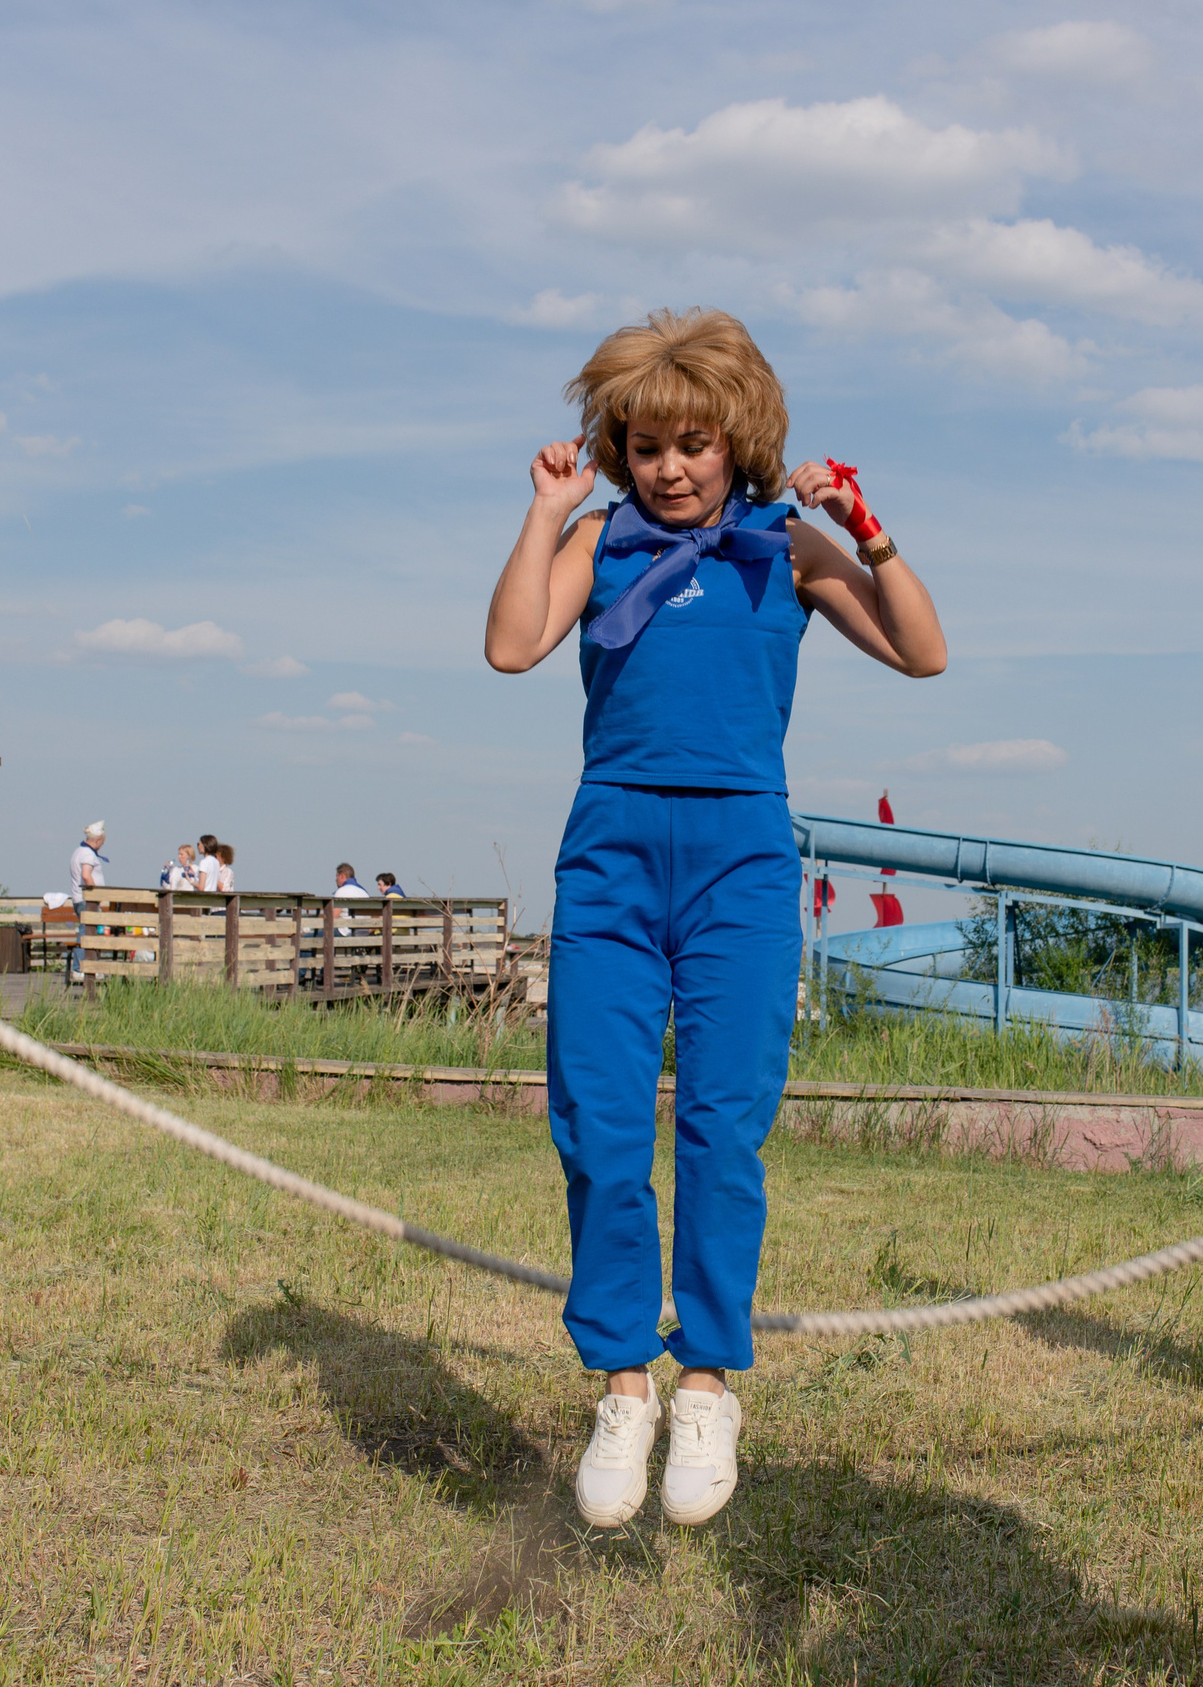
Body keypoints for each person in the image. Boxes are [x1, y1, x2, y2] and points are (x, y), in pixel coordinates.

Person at [484, 307, 946, 1530]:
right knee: (592, 1115)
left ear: (736, 438)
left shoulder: (782, 546)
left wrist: (867, 529)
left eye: (691, 443)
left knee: (721, 1123)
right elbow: (512, 645)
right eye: (644, 447)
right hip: (612, 852)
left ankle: (707, 1380)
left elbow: (923, 654)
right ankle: (622, 1380)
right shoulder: (601, 541)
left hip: (739, 856)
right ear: (616, 450)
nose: (670, 468)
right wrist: (544, 517)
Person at [67, 821, 106, 979]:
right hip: (87, 900)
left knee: (89, 932)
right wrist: (94, 893)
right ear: (97, 841)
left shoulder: (78, 851)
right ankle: (79, 968)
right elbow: (86, 875)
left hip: (79, 898)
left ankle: (89, 966)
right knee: (86, 933)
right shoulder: (88, 854)